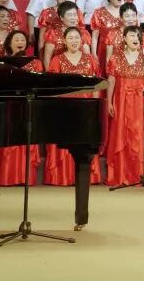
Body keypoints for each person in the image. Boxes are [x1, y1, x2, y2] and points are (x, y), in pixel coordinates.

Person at [45, 27, 103, 185]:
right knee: (66, 140)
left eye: (77, 37)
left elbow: (96, 85)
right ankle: (63, 176)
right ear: (64, 41)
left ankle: (84, 177)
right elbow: (54, 87)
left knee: (83, 141)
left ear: (81, 40)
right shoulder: (57, 60)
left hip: (85, 107)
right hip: (65, 108)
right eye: (70, 38)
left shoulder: (90, 60)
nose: (74, 41)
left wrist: (95, 106)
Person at [0, 31, 44, 186]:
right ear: (9, 43)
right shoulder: (3, 63)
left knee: (26, 137)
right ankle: (7, 177)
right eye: (16, 39)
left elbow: (39, 85)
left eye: (23, 39)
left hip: (28, 104)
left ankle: (25, 178)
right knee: (9, 139)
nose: (20, 42)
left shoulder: (35, 63)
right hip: (9, 105)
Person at [106, 26, 144, 186]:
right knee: (121, 135)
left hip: (140, 102)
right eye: (132, 35)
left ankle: (140, 174)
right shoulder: (115, 58)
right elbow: (111, 81)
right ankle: (121, 174)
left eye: (138, 36)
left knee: (138, 136)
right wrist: (109, 101)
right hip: (121, 101)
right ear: (125, 38)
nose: (135, 38)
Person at [90, 0, 126, 75]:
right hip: (104, 51)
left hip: (124, 51)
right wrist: (93, 54)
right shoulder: (99, 13)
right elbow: (95, 36)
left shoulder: (127, 12)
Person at [41, 1, 88, 69]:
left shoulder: (83, 33)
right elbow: (47, 58)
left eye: (75, 14)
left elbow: (87, 57)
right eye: (70, 15)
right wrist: (50, 74)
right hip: (59, 72)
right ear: (61, 18)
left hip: (81, 70)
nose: (73, 18)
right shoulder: (53, 34)